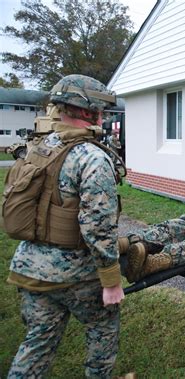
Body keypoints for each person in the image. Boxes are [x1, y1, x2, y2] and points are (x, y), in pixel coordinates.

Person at [7, 75, 124, 378]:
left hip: (28, 269)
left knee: (37, 344)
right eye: (101, 108)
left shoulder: (40, 146)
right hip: (76, 275)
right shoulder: (91, 157)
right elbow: (98, 228)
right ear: (88, 111)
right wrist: (111, 281)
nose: (103, 114)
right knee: (102, 329)